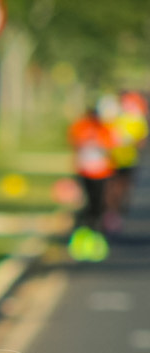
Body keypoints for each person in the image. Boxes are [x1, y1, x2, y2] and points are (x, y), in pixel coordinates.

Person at [66, 106, 115, 261]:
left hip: (101, 172)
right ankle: (81, 235)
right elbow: (75, 144)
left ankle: (97, 234)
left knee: (98, 204)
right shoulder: (81, 127)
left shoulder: (104, 129)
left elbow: (110, 146)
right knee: (84, 205)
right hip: (85, 171)